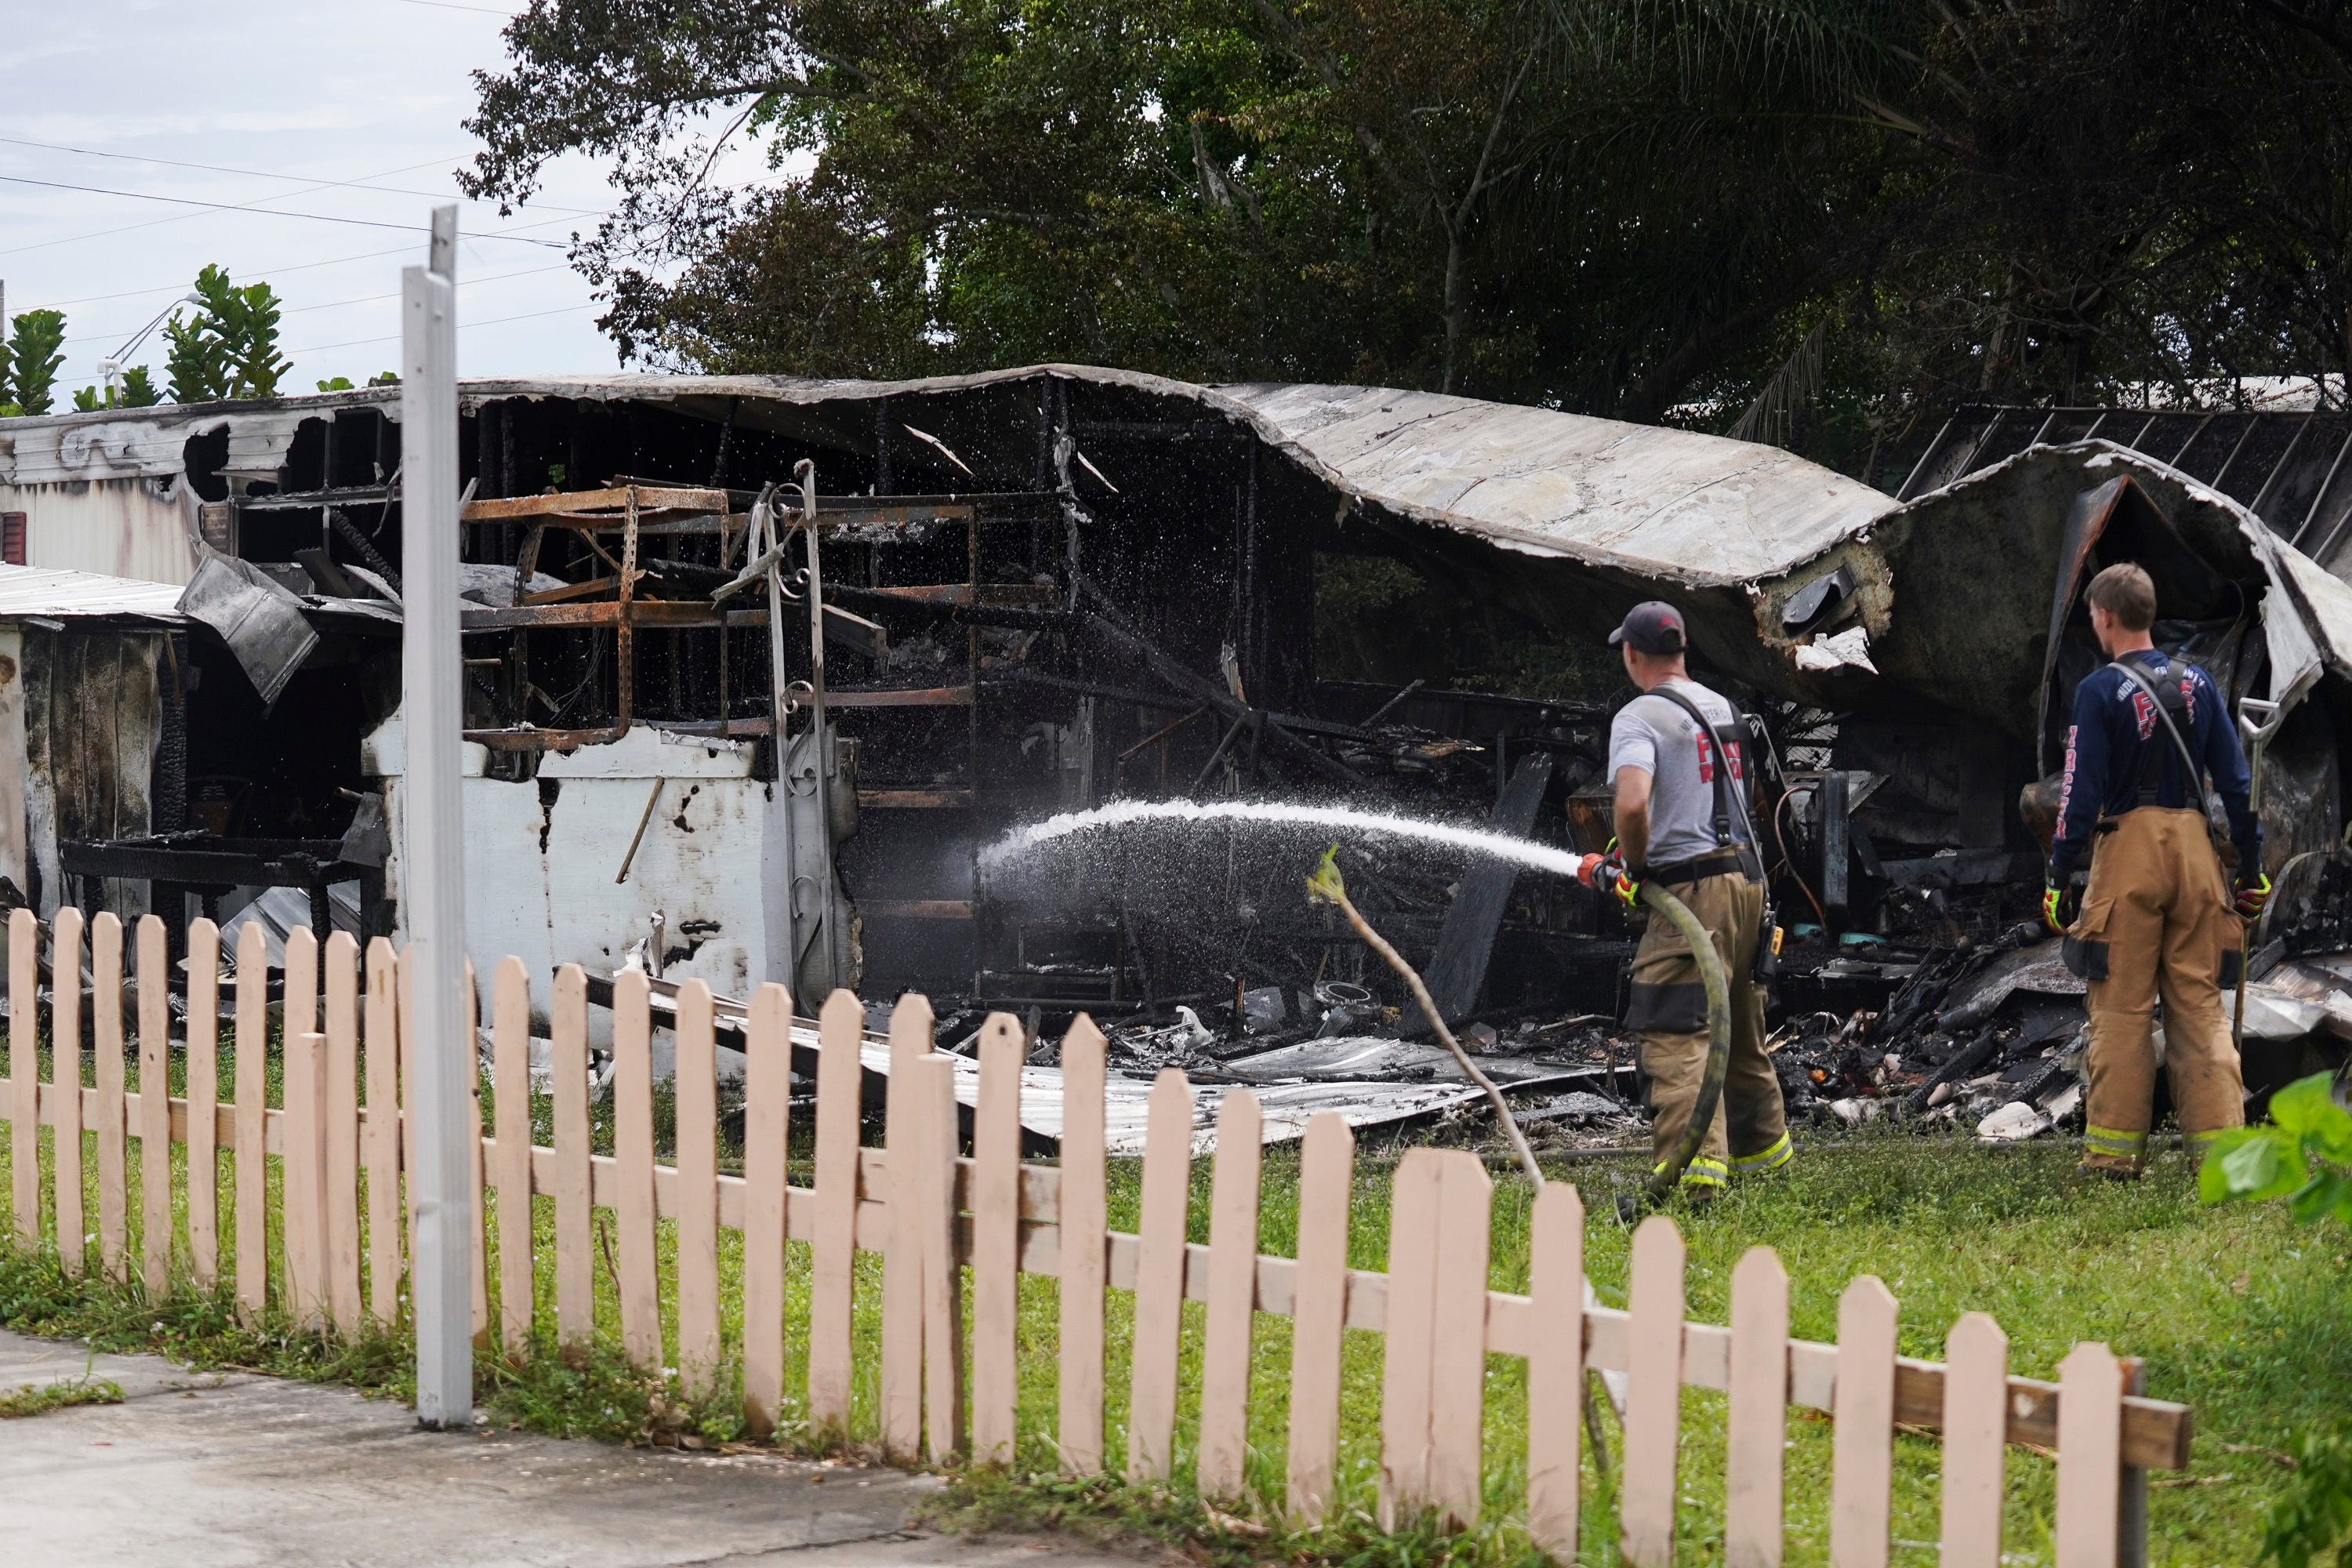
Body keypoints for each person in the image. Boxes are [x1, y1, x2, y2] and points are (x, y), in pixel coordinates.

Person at [2046, 561, 2267, 1178]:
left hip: (2130, 859)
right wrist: (2251, 869)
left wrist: (2059, 875)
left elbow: (2078, 794)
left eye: (2093, 614)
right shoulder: (2198, 683)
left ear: (2106, 616)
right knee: (2199, 1008)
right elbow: (2237, 784)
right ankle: (2226, 1163)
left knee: (2122, 1011)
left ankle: (2114, 1162)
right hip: (2197, 857)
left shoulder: (2096, 691)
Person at [1589, 601, 1790, 1194]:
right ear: (1681, 651)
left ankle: (1691, 1180)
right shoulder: (1722, 707)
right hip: (1747, 886)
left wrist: (1632, 866)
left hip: (1691, 893)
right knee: (1739, 1031)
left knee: (1678, 1030)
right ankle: (1767, 1167)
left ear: (1632, 653)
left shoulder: (1637, 716)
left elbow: (1631, 804)